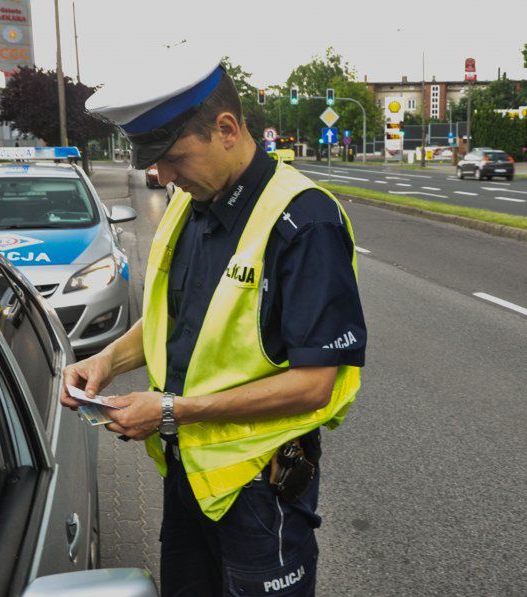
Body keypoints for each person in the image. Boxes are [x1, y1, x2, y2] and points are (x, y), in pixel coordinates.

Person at [65, 54, 366, 595]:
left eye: (174, 158)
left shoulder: (304, 222)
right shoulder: (193, 203)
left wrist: (171, 410)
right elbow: (179, 322)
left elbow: (315, 383)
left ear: (227, 129)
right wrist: (107, 360)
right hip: (190, 477)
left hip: (260, 489)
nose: (162, 177)